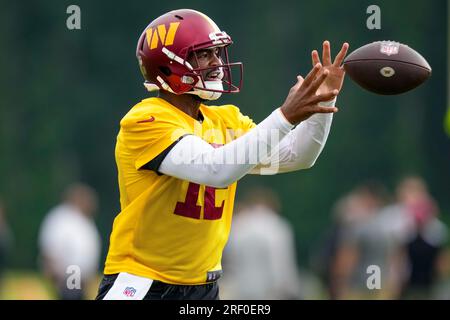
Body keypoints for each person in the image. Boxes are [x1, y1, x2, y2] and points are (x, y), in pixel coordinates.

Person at [97, 8, 349, 300]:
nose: (217, 63)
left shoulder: (225, 119)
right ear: (169, 65)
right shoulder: (145, 119)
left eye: (217, 53)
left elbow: (298, 156)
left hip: (203, 287)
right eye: (204, 55)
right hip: (143, 285)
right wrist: (284, 117)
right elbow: (216, 170)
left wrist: (323, 100)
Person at [222, 188, 303, 299]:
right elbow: (282, 261)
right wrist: (290, 288)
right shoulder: (278, 226)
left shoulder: (238, 225)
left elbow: (229, 259)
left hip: (240, 287)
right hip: (271, 290)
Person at [38, 183, 101, 300]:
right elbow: (51, 248)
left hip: (81, 279)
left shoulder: (85, 220)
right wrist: (53, 273)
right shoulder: (62, 218)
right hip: (68, 275)